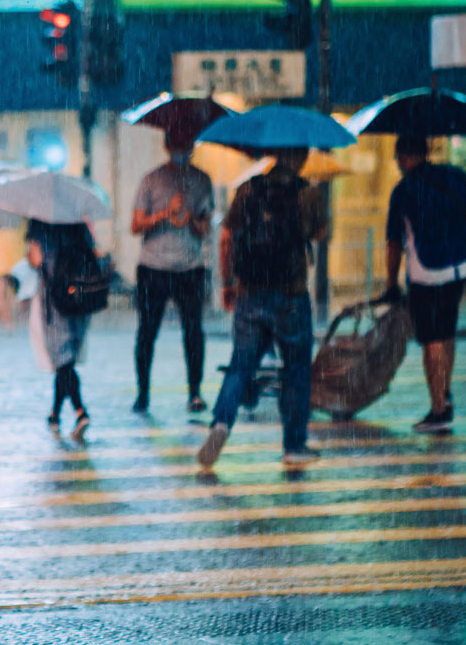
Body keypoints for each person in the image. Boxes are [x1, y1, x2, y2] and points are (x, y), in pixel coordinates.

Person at [197, 148, 329, 469]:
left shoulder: (249, 189)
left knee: (241, 364)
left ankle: (221, 422)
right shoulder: (307, 192)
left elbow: (227, 237)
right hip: (291, 295)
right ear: (300, 157)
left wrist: (228, 283)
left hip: (251, 292)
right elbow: (321, 234)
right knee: (296, 370)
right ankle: (294, 445)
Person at [383, 135, 466, 434]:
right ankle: (445, 394)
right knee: (447, 333)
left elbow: (394, 243)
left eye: (398, 157)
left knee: (432, 340)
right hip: (459, 267)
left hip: (426, 271)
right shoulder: (455, 177)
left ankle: (438, 410)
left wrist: (390, 283)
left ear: (405, 156)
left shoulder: (404, 191)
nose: (397, 163)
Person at [130, 130, 214, 414]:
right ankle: (143, 393)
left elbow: (205, 228)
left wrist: (191, 219)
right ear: (167, 145)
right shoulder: (151, 180)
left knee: (193, 331)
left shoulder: (202, 181)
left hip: (189, 267)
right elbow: (136, 225)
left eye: (186, 143)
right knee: (147, 332)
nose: (182, 148)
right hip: (153, 267)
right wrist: (165, 212)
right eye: (177, 143)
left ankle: (195, 392)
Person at [28, 220, 100, 438]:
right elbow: (94, 251)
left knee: (63, 360)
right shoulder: (76, 218)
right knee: (65, 360)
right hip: (80, 296)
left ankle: (80, 411)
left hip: (55, 297)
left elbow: (36, 259)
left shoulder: (39, 221)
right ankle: (54, 414)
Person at [0, 208, 29, 330]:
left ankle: (7, 322)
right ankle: (10, 319)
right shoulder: (19, 202)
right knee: (19, 284)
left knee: (0, 288)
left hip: (0, 243)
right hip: (17, 243)